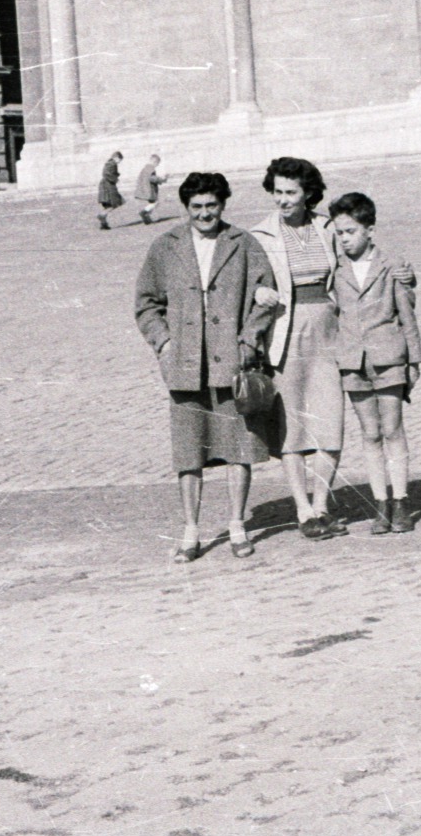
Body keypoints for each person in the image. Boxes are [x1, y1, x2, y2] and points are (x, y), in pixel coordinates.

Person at [134, 172, 276, 562]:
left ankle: (236, 526)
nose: (204, 213)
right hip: (184, 368)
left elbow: (266, 299)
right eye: (196, 207)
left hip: (232, 365)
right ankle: (191, 531)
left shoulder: (244, 244)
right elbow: (146, 303)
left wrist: (248, 341)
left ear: (223, 205)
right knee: (188, 453)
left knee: (238, 448)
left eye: (211, 205)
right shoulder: (165, 247)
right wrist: (164, 342)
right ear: (186, 208)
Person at [249, 157, 348, 541]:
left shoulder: (327, 227)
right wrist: (258, 291)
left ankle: (322, 504)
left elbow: (351, 268)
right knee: (291, 426)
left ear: (308, 194)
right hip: (284, 334)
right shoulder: (260, 235)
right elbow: (247, 283)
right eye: (277, 192)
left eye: (291, 192)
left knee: (330, 422)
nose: (283, 200)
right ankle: (303, 510)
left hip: (328, 333)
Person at [327, 192, 421, 535]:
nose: (344, 239)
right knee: (369, 433)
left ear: (370, 230)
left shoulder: (391, 265)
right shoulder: (334, 270)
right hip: (352, 362)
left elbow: (407, 314)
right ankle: (380, 503)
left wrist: (414, 360)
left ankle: (401, 501)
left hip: (388, 358)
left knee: (393, 429)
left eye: (350, 231)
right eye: (339, 232)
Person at [134, 154, 168, 225]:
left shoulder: (145, 168)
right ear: (154, 162)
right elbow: (152, 178)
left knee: (152, 203)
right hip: (149, 189)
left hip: (145, 188)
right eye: (157, 164)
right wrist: (162, 179)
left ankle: (147, 218)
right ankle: (144, 212)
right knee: (155, 202)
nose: (157, 165)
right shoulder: (150, 169)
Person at [97, 151, 125, 229]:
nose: (119, 162)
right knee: (114, 203)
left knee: (108, 205)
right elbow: (106, 174)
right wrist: (115, 179)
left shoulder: (110, 163)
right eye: (119, 160)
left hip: (105, 185)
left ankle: (104, 224)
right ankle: (102, 215)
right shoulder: (112, 164)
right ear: (116, 158)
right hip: (108, 186)